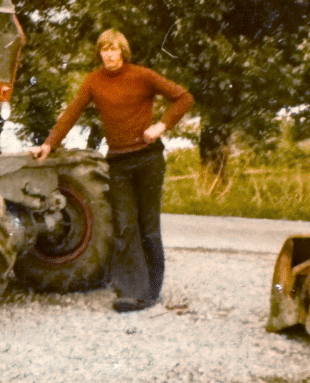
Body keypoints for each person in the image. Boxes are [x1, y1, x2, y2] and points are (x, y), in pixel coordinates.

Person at [30, 29, 193, 313]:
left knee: (148, 227)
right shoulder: (94, 81)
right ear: (100, 53)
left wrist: (161, 125)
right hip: (118, 162)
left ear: (123, 51)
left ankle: (151, 290)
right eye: (104, 49)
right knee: (125, 224)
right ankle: (132, 291)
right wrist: (48, 145)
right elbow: (71, 113)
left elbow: (184, 98)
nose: (109, 54)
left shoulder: (142, 75)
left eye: (114, 48)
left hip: (148, 160)